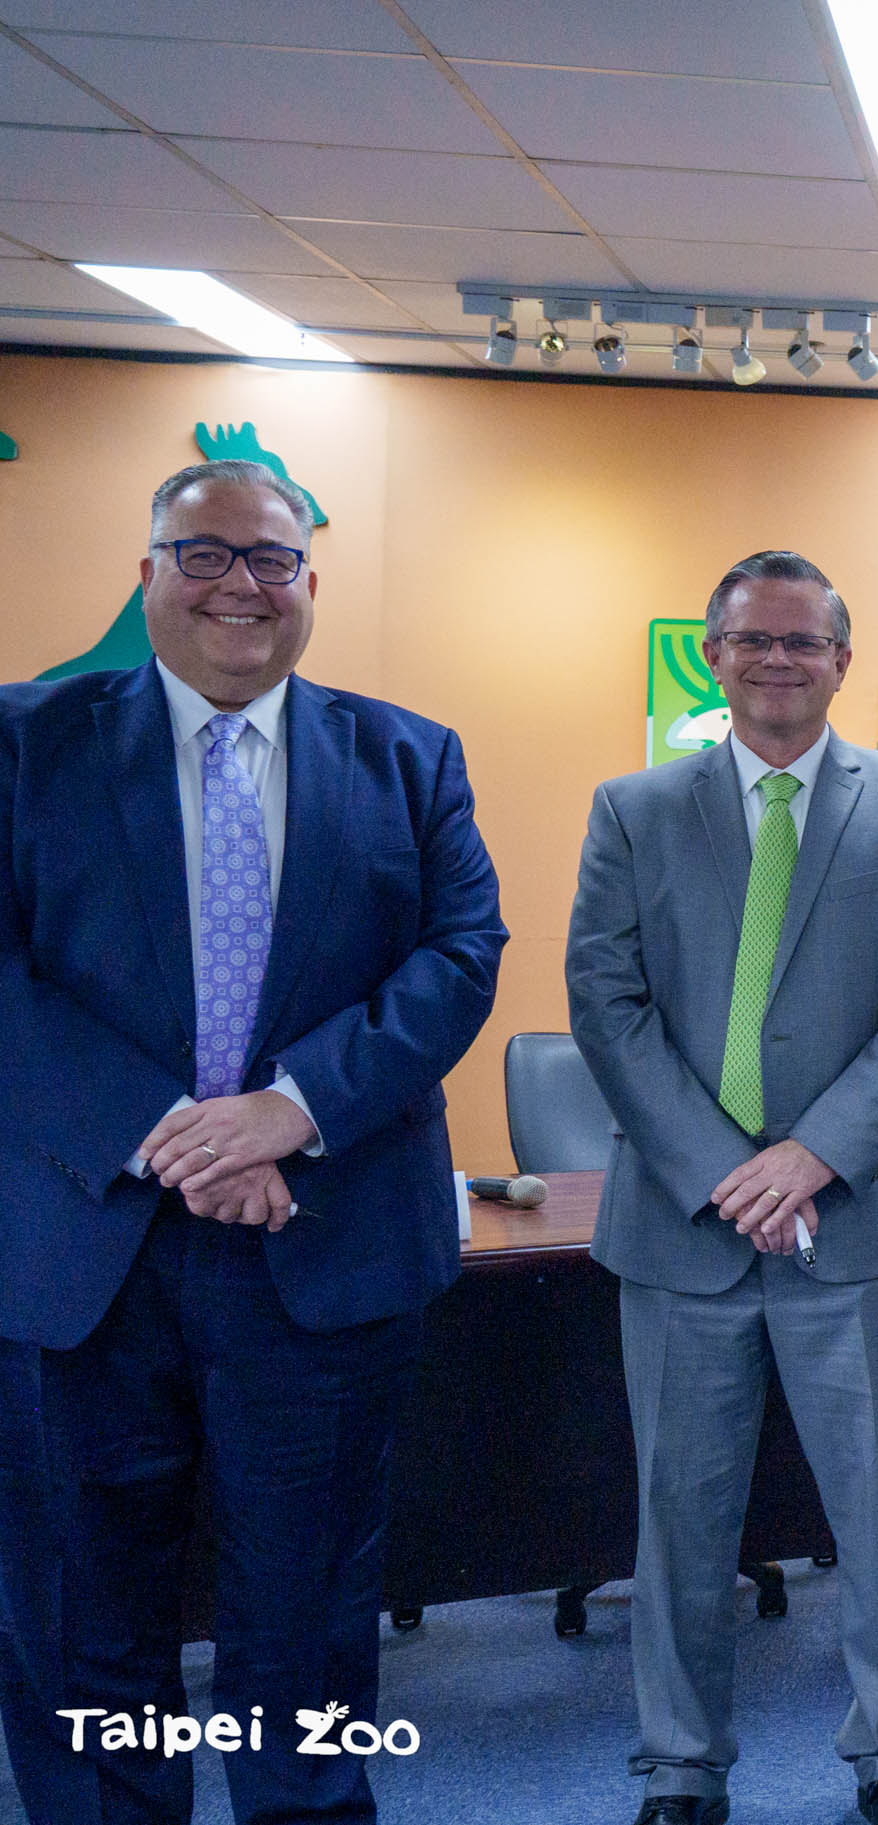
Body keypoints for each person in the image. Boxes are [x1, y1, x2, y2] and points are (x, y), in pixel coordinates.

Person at [0, 459, 507, 1823]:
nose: (241, 585)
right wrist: (171, 1133)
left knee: (313, 1611)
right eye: (205, 554)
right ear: (147, 570)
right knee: (84, 1615)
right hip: (82, 1261)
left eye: (271, 560)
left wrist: (291, 1110)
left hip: (324, 1248)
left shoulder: (409, 755)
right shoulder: (24, 742)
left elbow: (461, 958)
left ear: (310, 584)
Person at [567, 551, 878, 1825]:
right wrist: (721, 1169)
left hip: (858, 1220)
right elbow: (605, 998)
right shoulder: (635, 807)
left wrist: (814, 1153)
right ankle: (681, 1765)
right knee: (679, 1522)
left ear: (842, 660)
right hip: (684, 1230)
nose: (777, 660)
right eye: (751, 640)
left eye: (804, 641)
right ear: (715, 654)